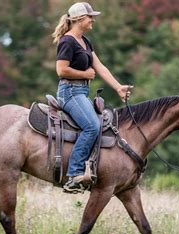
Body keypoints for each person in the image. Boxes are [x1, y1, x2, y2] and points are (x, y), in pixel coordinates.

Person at [52, 2, 131, 193]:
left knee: (101, 124)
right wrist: (85, 75)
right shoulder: (67, 41)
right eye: (90, 17)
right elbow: (61, 70)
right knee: (92, 126)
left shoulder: (85, 41)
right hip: (69, 92)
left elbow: (100, 67)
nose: (92, 20)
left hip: (81, 93)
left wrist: (118, 87)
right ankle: (74, 175)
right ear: (79, 19)